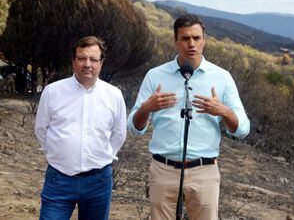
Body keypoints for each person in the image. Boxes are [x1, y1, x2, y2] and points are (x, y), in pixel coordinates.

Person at [128, 14, 250, 220]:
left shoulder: (222, 77)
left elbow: (243, 129)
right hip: (163, 169)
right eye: (185, 38)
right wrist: (146, 108)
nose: (191, 44)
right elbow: (134, 127)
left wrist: (224, 112)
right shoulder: (155, 76)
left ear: (204, 39)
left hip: (204, 171)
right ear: (175, 40)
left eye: (196, 38)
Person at [35, 36, 127, 220]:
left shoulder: (114, 95)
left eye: (93, 59)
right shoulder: (53, 91)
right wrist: (59, 154)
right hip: (59, 178)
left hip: (98, 181)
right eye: (82, 58)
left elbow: (118, 134)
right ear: (73, 61)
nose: (87, 64)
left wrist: (103, 156)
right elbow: (41, 129)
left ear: (101, 63)